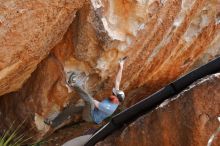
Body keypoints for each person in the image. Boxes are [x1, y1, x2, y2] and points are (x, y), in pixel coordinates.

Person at [68, 57, 127, 124]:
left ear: (117, 100)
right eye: (114, 93)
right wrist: (121, 66)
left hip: (90, 117)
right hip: (93, 110)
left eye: (114, 94)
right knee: (72, 109)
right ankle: (54, 122)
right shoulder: (116, 98)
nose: (112, 94)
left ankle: (73, 84)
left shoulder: (109, 108)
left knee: (89, 101)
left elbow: (93, 102)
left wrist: (83, 87)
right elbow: (118, 81)